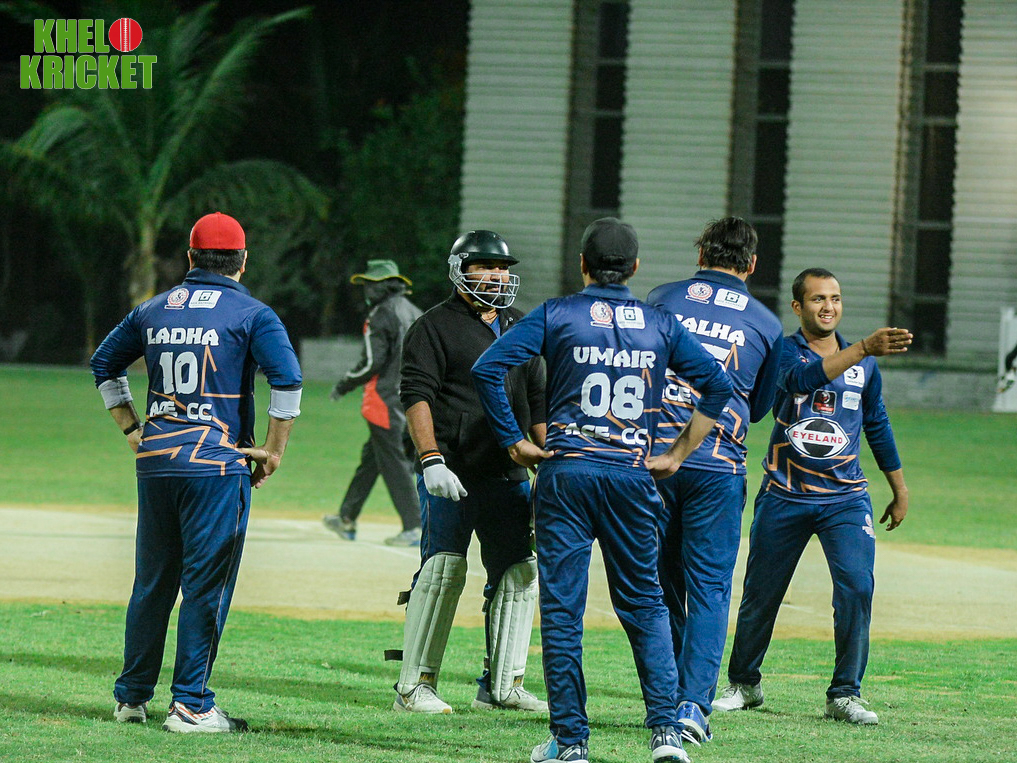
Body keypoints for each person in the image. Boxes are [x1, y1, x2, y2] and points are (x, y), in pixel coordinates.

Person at [473, 218, 734, 763]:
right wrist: (678, 453)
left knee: (563, 612)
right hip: (631, 477)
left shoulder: (557, 314)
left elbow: (488, 368)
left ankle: (571, 743)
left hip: (566, 476)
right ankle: (666, 733)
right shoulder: (660, 323)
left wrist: (514, 441)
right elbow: (719, 385)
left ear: (582, 265)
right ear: (635, 267)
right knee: (646, 605)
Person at [90, 212, 301, 733]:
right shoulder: (253, 314)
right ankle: (191, 705)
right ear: (243, 261)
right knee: (206, 586)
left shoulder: (152, 310)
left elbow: (104, 364)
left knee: (152, 584)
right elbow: (287, 381)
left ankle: (131, 698)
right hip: (216, 466)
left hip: (157, 464)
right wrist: (272, 451)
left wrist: (132, 429)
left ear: (190, 258)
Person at [713, 268, 911, 725]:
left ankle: (844, 694)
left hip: (846, 498)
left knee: (857, 588)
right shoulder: (783, 351)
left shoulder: (865, 364)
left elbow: (877, 424)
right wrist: (863, 348)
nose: (829, 307)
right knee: (762, 593)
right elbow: (801, 381)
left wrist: (899, 489)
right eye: (818, 299)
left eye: (835, 298)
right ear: (797, 306)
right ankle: (744, 683)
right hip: (785, 494)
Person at [389, 230, 548, 715]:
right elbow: (416, 395)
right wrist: (430, 459)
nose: (497, 276)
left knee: (519, 572)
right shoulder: (432, 326)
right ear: (460, 270)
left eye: (501, 268)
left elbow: (538, 399)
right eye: (484, 266)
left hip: (508, 472)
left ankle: (501, 687)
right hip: (452, 470)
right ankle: (414, 686)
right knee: (442, 569)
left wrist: (549, 462)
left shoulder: (521, 326)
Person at [645, 217, 783, 745]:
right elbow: (760, 404)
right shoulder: (766, 323)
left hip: (656, 461)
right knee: (710, 588)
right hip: (719, 467)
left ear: (701, 254)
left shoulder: (661, 298)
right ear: (752, 264)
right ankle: (692, 705)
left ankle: (670, 693)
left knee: (661, 583)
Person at [323, 259, 423, 545]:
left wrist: (344, 384)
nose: (366, 290)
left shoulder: (381, 314)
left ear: (384, 285)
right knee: (372, 459)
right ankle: (346, 518)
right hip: (412, 400)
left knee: (394, 464)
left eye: (370, 284)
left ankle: (415, 527)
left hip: (385, 401)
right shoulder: (415, 312)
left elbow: (372, 363)